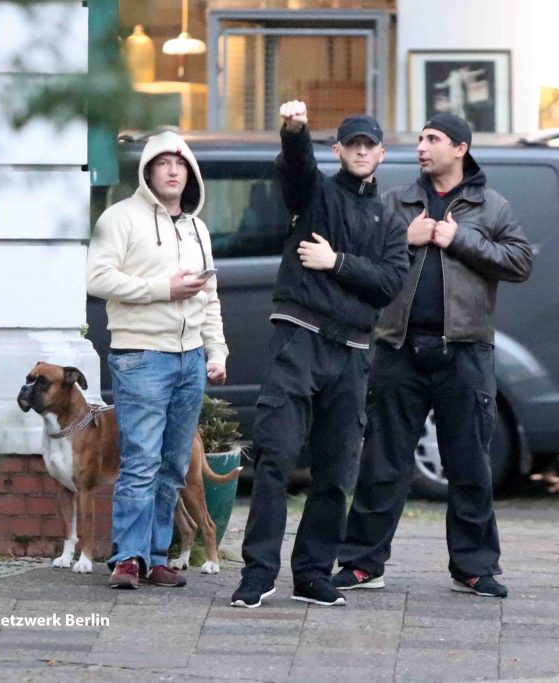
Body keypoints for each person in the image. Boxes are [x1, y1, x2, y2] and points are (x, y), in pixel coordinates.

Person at [334, 112, 533, 599]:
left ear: (460, 148)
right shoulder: (397, 202)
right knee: (382, 462)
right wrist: (406, 237)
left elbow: (522, 261)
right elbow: (357, 255)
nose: (421, 147)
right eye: (421, 138)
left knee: (469, 464)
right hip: (398, 347)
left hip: (464, 350)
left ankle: (474, 567)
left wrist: (458, 238)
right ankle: (362, 563)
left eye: (433, 138)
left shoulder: (490, 205)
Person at [230, 101, 409, 609]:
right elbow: (295, 170)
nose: (360, 151)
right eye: (351, 144)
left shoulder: (391, 220)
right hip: (299, 339)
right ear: (338, 150)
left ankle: (312, 574)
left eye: (368, 145)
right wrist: (294, 131)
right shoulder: (315, 195)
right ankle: (257, 574)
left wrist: (336, 263)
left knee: (336, 472)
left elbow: (391, 283)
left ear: (379, 154)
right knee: (275, 457)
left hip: (353, 353)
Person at [86, 131, 228, 590]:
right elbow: (97, 278)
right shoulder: (119, 218)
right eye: (162, 162)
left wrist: (217, 350)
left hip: (189, 361)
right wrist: (161, 289)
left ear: (190, 173)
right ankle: (126, 558)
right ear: (147, 171)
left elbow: (210, 297)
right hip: (141, 355)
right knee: (141, 461)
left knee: (171, 465)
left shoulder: (197, 227)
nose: (172, 170)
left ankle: (154, 555)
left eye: (180, 163)